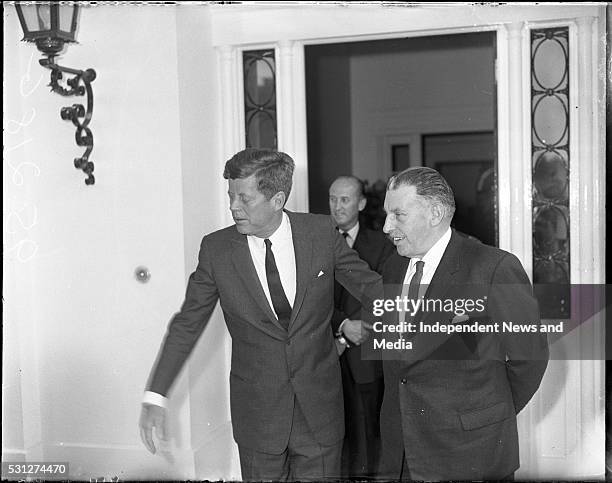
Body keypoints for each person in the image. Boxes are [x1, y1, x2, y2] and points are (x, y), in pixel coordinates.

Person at [138, 149, 383, 481]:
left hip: (320, 416)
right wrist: (156, 394)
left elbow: (372, 287)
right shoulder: (217, 250)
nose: (233, 206)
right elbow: (187, 324)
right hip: (259, 420)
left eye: (244, 198)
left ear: (277, 199)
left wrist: (444, 309)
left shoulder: (321, 234)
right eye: (230, 196)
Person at [377, 166, 549, 481]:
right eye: (387, 214)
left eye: (398, 215)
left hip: (471, 452)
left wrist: (488, 416)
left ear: (436, 213)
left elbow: (531, 359)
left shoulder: (493, 267)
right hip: (401, 453)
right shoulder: (392, 267)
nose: (387, 226)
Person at [328, 176, 394, 478]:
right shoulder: (318, 240)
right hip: (327, 349)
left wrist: (357, 329)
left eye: (345, 199)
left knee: (368, 429)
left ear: (361, 203)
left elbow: (385, 293)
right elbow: (310, 296)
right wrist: (341, 324)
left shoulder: (381, 243)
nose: (337, 206)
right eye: (333, 199)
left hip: (366, 348)